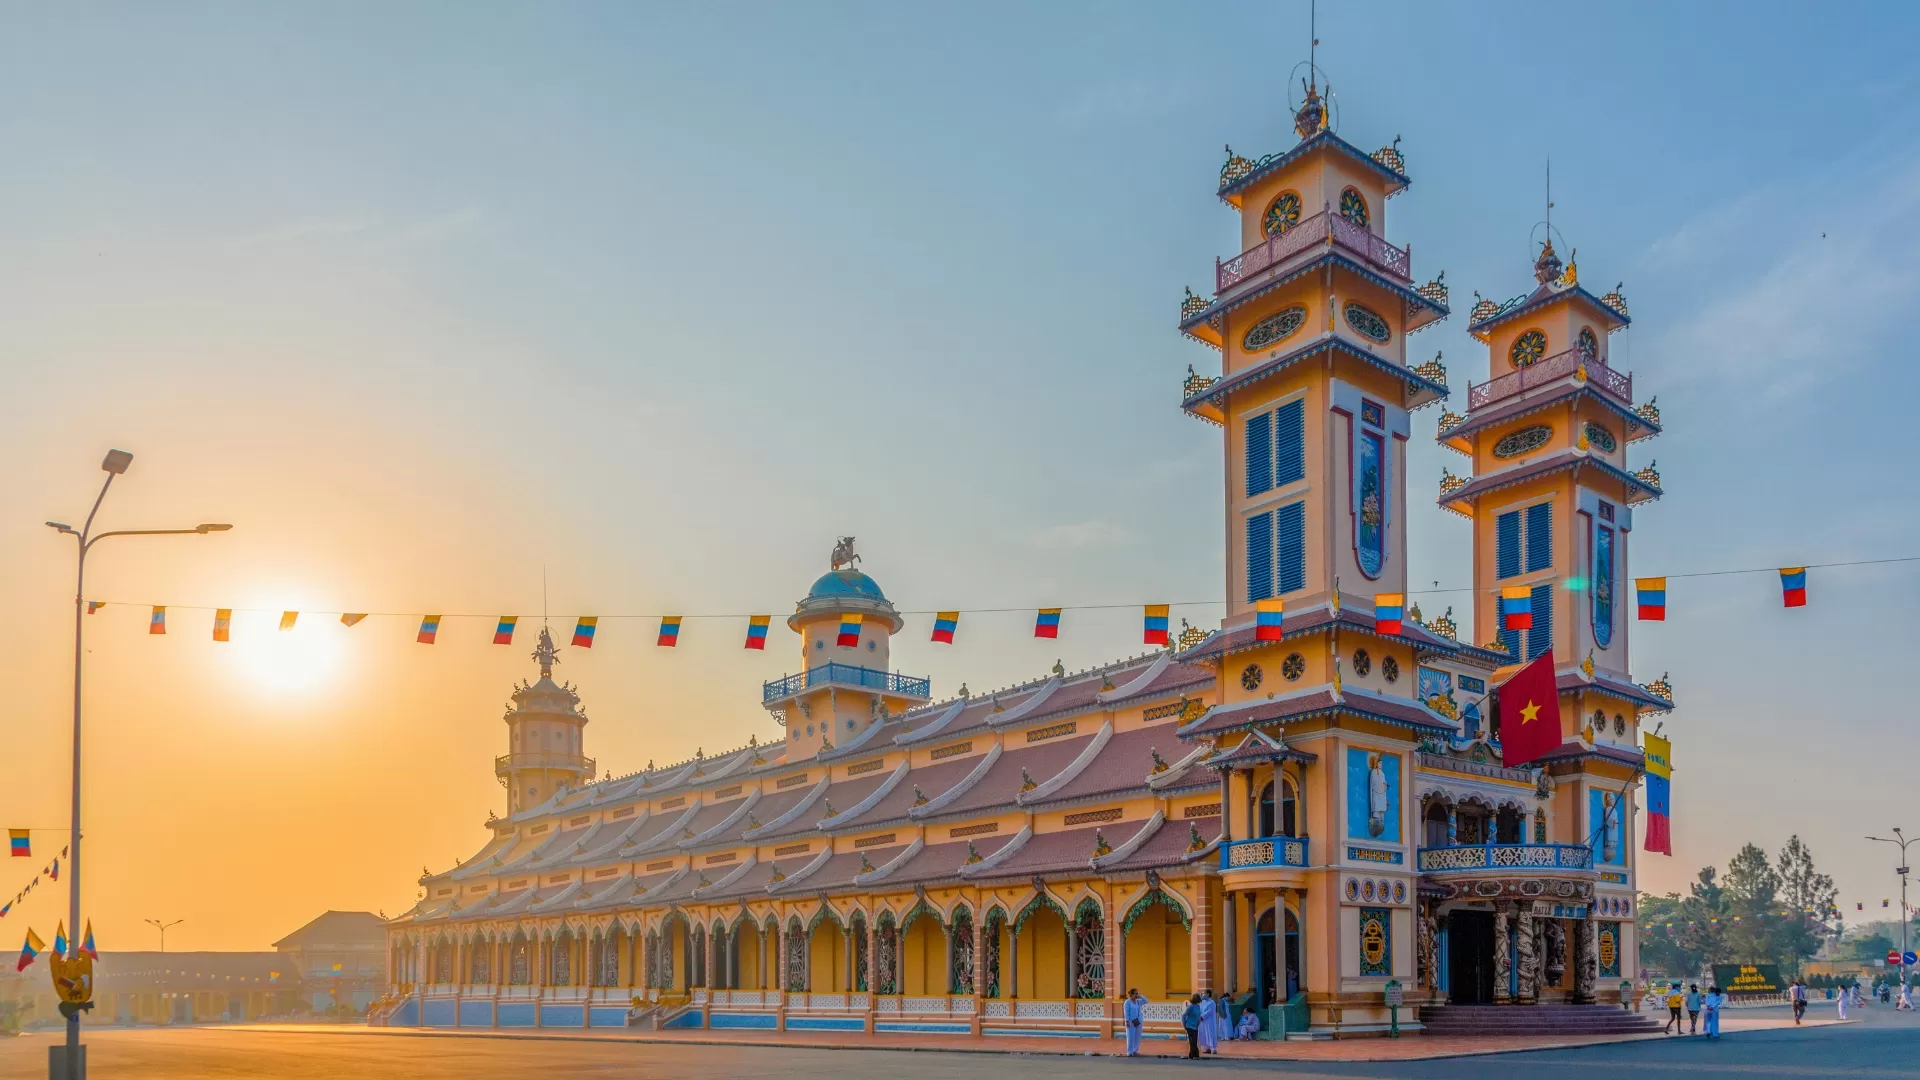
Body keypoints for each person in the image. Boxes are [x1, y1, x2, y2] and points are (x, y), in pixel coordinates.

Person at [1123, 988, 1145, 1057]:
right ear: (1131, 994)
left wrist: (1141, 996)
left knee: (1137, 1037)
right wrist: (1127, 1021)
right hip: (1130, 1022)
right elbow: (1126, 1012)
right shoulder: (1127, 1002)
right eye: (1135, 993)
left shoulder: (1138, 1002)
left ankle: (1135, 1051)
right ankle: (1130, 1052)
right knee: (1130, 1037)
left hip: (1138, 1021)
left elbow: (1146, 1001)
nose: (1136, 995)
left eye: (1137, 993)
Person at [1182, 993, 1203, 1059]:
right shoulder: (1190, 1007)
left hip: (1195, 1026)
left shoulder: (1198, 1006)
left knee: (1194, 1041)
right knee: (1192, 1041)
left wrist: (1198, 1022)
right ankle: (1195, 1055)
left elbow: (1198, 1016)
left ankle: (1191, 1055)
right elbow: (1184, 1015)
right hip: (1189, 1026)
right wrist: (1184, 1024)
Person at [1197, 990, 1218, 1054]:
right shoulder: (1202, 1002)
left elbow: (1209, 1011)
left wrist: (1202, 1016)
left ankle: (1213, 1048)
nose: (1202, 995)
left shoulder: (1212, 1002)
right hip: (1202, 1022)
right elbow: (1199, 1010)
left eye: (1204, 993)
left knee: (1209, 1033)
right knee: (1203, 1034)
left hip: (1209, 1021)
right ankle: (1206, 1048)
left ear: (1208, 994)